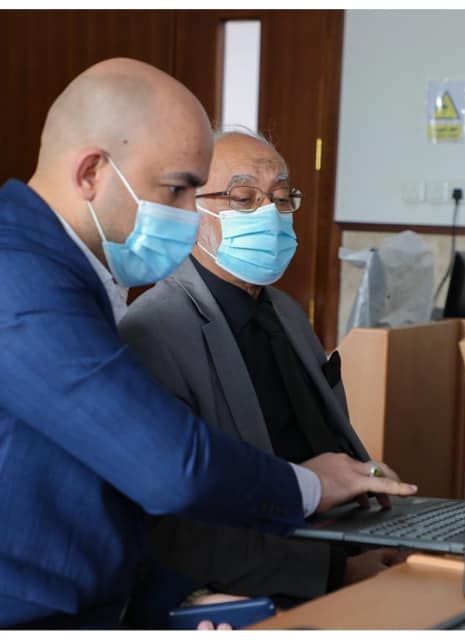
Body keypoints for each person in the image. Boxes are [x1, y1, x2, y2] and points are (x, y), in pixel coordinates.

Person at [0, 59, 416, 630]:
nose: (188, 212)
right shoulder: (0, 261)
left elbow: (99, 494)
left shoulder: (72, 270)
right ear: (91, 172)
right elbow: (166, 464)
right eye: (175, 190)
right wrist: (307, 486)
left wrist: (186, 599)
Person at [119, 129, 409, 610]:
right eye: (243, 198)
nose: (270, 213)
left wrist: (371, 492)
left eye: (280, 197)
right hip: (254, 584)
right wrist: (338, 572)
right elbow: (179, 528)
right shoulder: (154, 331)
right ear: (191, 209)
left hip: (342, 538)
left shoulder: (286, 312)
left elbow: (320, 443)